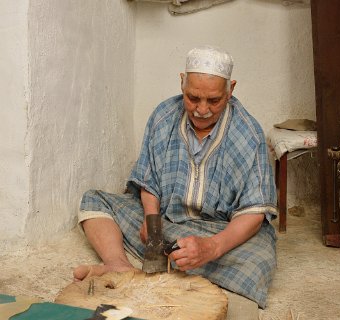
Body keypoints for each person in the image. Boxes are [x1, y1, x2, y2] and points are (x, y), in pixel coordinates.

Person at [73, 45, 278, 308]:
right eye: (193, 98)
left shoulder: (249, 134)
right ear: (182, 83)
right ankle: (118, 265)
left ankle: (187, 260)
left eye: (213, 101)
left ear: (231, 90)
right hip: (166, 222)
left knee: (258, 257)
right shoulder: (163, 117)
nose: (201, 109)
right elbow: (148, 180)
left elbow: (254, 211)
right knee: (94, 201)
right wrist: (151, 219)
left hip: (218, 230)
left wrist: (212, 248)